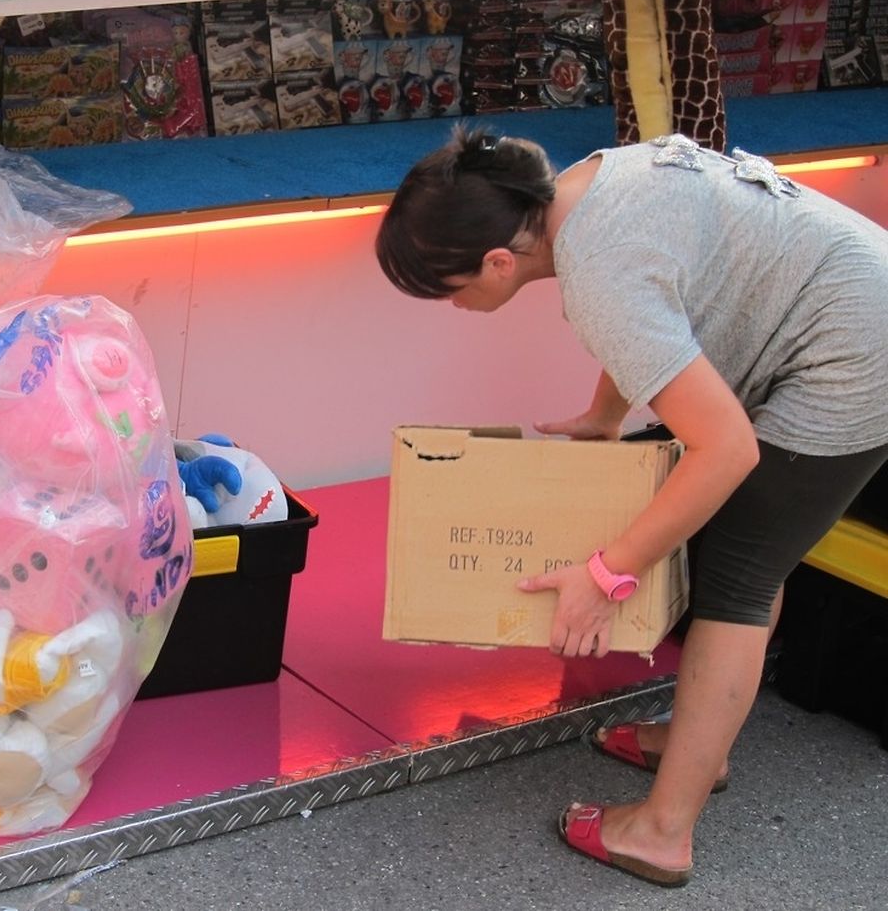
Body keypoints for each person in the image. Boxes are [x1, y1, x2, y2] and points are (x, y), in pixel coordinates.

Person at [375, 126, 888, 887]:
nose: (454, 306)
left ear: (498, 262)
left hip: (856, 358)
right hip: (856, 297)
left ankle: (662, 832)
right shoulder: (590, 185)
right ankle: (696, 746)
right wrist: (605, 414)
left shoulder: (597, 275)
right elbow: (660, 304)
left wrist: (606, 574)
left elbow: (727, 449)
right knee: (745, 559)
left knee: (738, 579)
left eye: (451, 290)